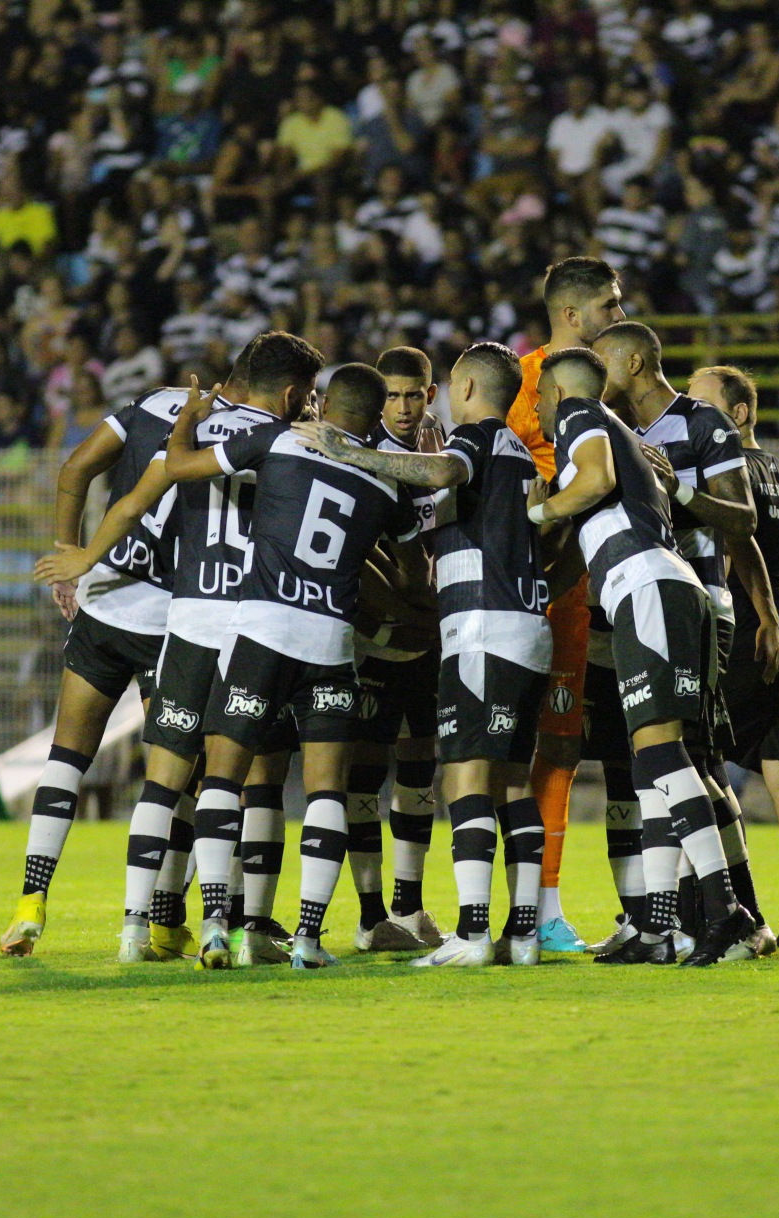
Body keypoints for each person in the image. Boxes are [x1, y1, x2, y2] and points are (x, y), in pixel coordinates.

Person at [28, 336, 314, 965]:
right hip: (220, 621)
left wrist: (78, 555)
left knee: (115, 770)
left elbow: (96, 476)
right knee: (229, 779)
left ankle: (71, 912)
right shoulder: (282, 440)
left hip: (134, 608)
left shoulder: (168, 409)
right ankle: (214, 923)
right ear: (289, 394)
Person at [296, 341, 562, 966]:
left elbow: (443, 474)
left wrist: (343, 449)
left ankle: (472, 934)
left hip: (479, 629)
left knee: (462, 775)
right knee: (514, 782)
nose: (422, 402)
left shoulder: (469, 442)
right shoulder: (521, 456)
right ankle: (520, 933)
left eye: (431, 389)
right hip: (525, 627)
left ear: (463, 389)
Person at [161, 361, 426, 971]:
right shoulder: (387, 482)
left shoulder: (279, 439)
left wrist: (190, 421)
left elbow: (180, 468)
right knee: (326, 791)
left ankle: (214, 928)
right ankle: (307, 939)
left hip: (261, 633)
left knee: (224, 780)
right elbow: (414, 576)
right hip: (331, 643)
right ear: (376, 413)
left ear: (325, 403)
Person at [0, 357, 244, 960]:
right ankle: (161, 922)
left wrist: (68, 554)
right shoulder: (245, 432)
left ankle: (30, 903)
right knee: (177, 779)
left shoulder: (152, 404)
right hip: (175, 616)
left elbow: (76, 467)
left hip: (106, 599)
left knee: (64, 760)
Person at [526, 346, 758, 967]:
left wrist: (536, 509)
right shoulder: (624, 433)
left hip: (647, 587)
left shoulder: (581, 415)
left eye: (541, 399)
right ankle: (656, 926)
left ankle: (725, 907)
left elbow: (593, 482)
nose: (542, 412)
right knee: (652, 761)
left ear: (557, 392)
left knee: (661, 753)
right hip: (664, 586)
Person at [592, 320, 775, 954]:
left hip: (695, 606)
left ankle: (735, 914)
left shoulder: (702, 424)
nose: (597, 377)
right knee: (671, 764)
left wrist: (679, 486)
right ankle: (671, 921)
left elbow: (743, 518)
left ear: (635, 362)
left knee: (688, 759)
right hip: (642, 608)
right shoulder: (612, 432)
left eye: (604, 364)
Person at [504, 256, 626, 954]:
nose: (620, 315)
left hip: (584, 598)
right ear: (574, 316)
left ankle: (545, 911)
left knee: (562, 750)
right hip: (527, 594)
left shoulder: (608, 394)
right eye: (610, 305)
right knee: (498, 752)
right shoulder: (522, 385)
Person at [689, 365, 779, 949]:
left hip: (753, 638)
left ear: (740, 413)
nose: (692, 417)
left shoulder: (730, 474)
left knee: (690, 762)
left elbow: (727, 557)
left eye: (702, 406)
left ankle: (729, 909)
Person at [345, 345, 447, 954]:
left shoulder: (446, 455)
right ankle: (367, 913)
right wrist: (405, 611)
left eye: (414, 394)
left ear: (431, 394)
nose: (404, 406)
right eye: (392, 394)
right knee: (364, 772)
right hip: (376, 640)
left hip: (429, 638)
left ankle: (407, 908)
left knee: (418, 770)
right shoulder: (366, 458)